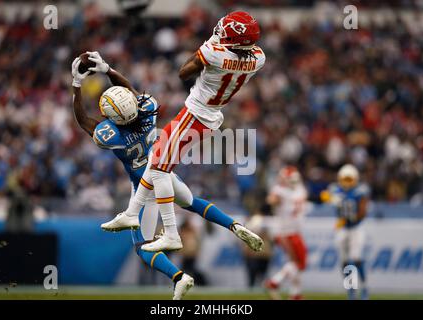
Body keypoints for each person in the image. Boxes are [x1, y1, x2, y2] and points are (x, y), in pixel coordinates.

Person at [70, 53, 262, 299]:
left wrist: (76, 84)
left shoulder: (111, 136)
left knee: (142, 247)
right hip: (164, 172)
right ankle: (234, 225)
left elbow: (83, 120)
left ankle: (178, 277)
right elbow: (131, 93)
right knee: (191, 202)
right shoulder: (148, 112)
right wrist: (108, 70)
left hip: (143, 186)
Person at [102, 11, 266, 252]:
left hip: (196, 114)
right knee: (157, 159)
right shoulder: (258, 58)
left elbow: (183, 72)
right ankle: (131, 212)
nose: (220, 34)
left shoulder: (215, 53)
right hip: (210, 115)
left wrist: (207, 46)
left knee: (159, 169)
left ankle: (170, 233)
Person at [320, 164, 370, 300]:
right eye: (345, 179)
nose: (347, 182)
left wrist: (348, 217)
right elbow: (324, 197)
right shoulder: (335, 189)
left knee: (357, 258)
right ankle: (351, 288)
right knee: (344, 261)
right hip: (342, 229)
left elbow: (363, 212)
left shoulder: (360, 191)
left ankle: (364, 287)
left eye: (350, 179)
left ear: (355, 179)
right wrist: (327, 198)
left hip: (356, 227)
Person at [264, 166, 308, 300]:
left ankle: (295, 294)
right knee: (299, 263)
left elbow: (271, 200)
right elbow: (272, 200)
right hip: (286, 232)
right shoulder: (299, 190)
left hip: (291, 231)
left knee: (295, 263)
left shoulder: (282, 190)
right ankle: (274, 283)